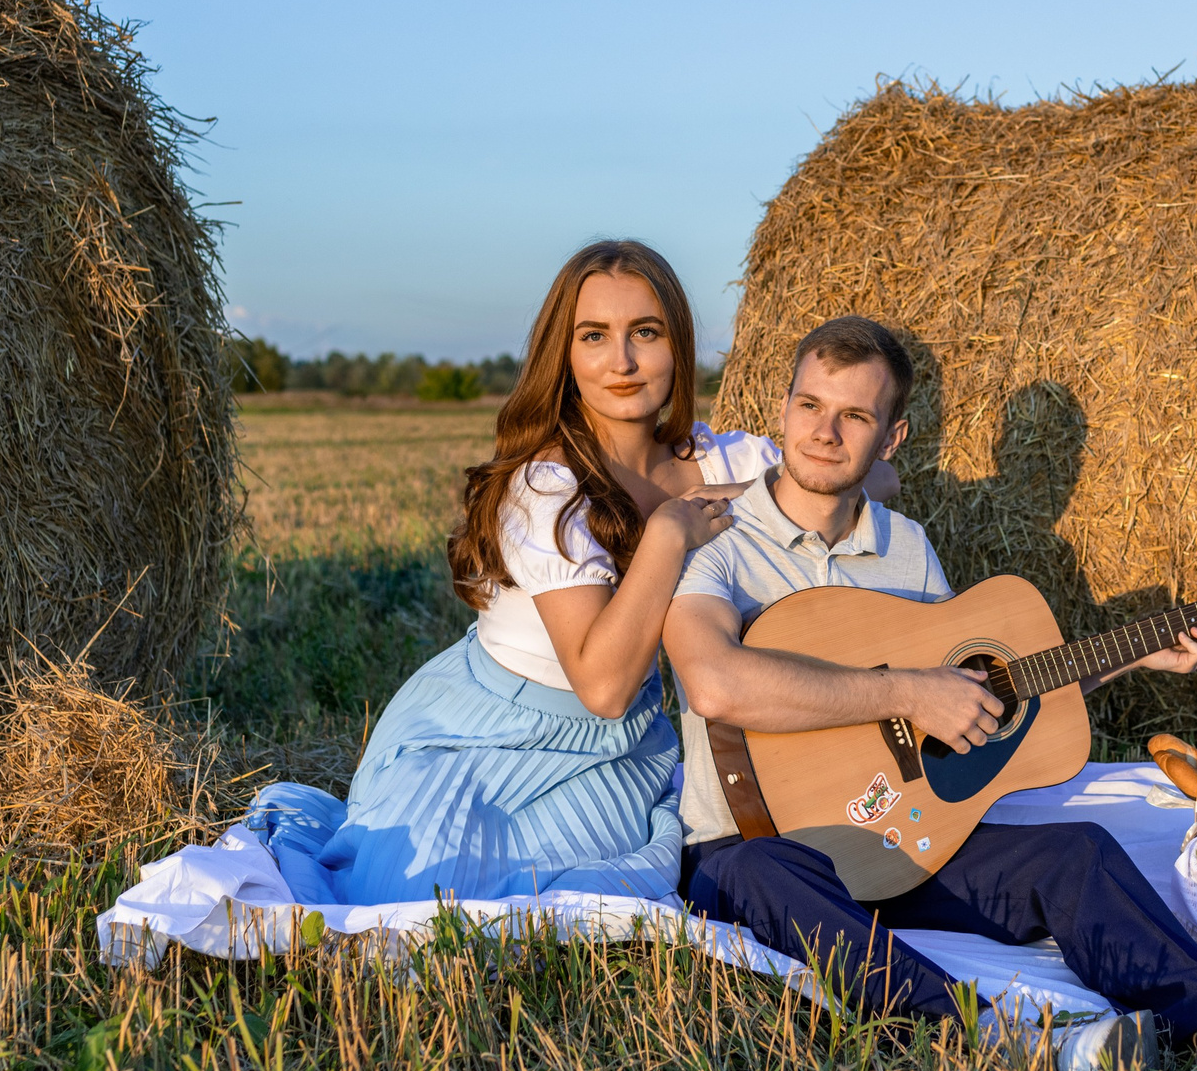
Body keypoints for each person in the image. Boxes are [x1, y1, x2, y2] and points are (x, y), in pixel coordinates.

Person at [663, 315, 1197, 1071]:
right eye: (809, 405)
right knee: (768, 875)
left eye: (854, 415)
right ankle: (998, 1042)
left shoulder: (905, 547)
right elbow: (713, 680)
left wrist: (1138, 656)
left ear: (891, 437)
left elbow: (974, 697)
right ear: (782, 407)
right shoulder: (716, 534)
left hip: (903, 840)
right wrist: (906, 691)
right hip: (753, 847)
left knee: (1074, 853)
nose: (824, 431)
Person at [244, 239, 893, 907]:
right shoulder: (545, 487)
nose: (623, 361)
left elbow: (875, 476)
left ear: (679, 345)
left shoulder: (715, 460)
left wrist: (742, 497)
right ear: (567, 353)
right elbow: (604, 684)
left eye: (646, 332)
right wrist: (671, 530)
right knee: (406, 898)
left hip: (622, 747)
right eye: (595, 336)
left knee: (613, 889)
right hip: (490, 730)